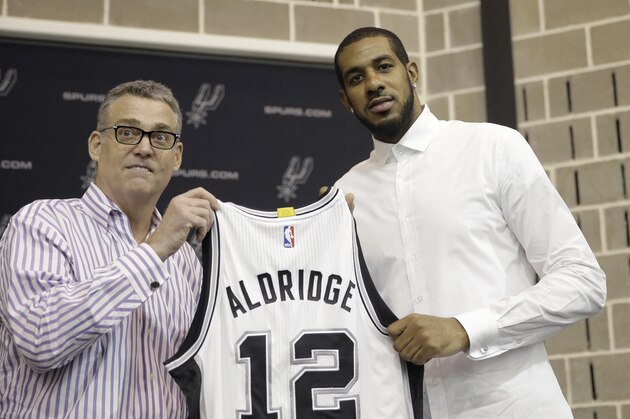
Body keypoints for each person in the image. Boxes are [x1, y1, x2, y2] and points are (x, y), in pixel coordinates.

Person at [333, 27, 606, 418]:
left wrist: (465, 329)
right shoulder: (345, 196)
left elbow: (583, 282)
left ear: (411, 72)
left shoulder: (493, 148)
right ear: (346, 100)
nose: (374, 84)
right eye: (357, 78)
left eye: (383, 67)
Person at [0, 80, 218, 418]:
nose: (145, 148)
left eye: (160, 137)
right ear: (96, 145)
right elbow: (40, 340)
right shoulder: (41, 223)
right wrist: (156, 249)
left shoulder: (188, 262)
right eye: (128, 132)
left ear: (176, 157)